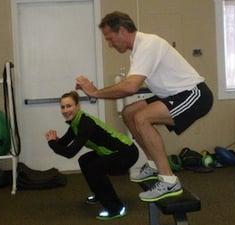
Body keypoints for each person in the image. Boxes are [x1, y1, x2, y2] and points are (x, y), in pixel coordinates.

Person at [75, 11, 213, 202]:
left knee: (142, 118)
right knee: (129, 112)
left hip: (195, 94)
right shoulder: (138, 50)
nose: (110, 44)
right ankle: (154, 165)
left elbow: (130, 87)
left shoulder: (149, 44)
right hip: (173, 94)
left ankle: (169, 180)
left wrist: (95, 93)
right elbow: (131, 84)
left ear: (122, 31)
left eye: (110, 38)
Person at [45, 90, 138, 220]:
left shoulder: (85, 124)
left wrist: (51, 143)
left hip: (127, 153)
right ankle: (99, 194)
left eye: (69, 106)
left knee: (95, 167)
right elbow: (63, 144)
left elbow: (69, 153)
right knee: (85, 160)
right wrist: (54, 140)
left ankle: (116, 208)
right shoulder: (75, 124)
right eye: (63, 107)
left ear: (77, 106)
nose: (65, 110)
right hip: (113, 152)